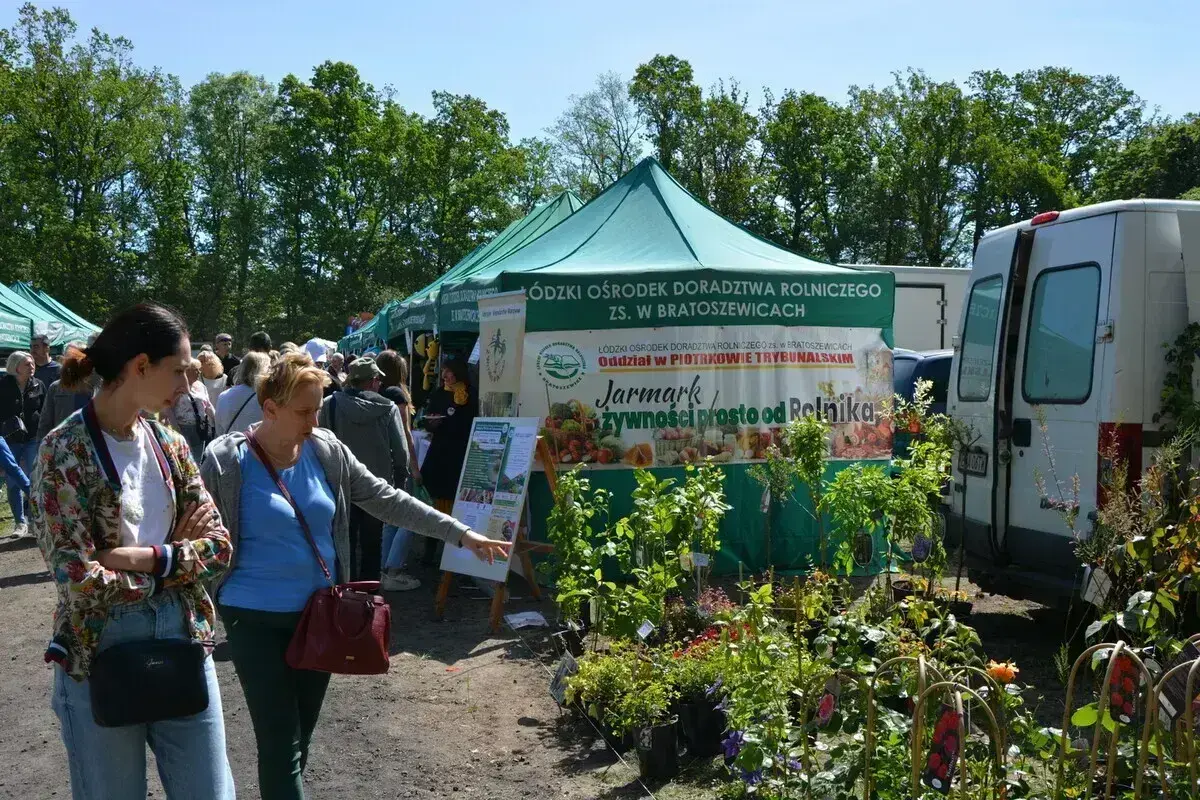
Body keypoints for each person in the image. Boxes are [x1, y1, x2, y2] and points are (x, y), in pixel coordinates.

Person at [201, 352, 508, 800]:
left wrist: (459, 533)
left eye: (319, 408)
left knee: (298, 739)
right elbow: (195, 533)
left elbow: (388, 499)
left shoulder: (327, 452)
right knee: (278, 739)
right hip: (251, 616)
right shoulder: (227, 461)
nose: (314, 420)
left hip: (320, 616)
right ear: (270, 409)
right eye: (304, 411)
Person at [30, 303, 234, 799]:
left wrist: (142, 558)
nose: (187, 385)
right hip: (100, 649)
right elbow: (79, 578)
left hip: (184, 641)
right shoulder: (65, 451)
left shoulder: (170, 443)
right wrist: (173, 565)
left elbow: (219, 547)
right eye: (179, 371)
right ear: (140, 366)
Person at [316, 356, 409, 583]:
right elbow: (401, 452)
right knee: (372, 542)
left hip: (340, 482)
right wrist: (399, 480)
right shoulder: (387, 407)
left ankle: (345, 591)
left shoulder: (330, 404)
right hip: (376, 485)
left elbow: (319, 442)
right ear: (373, 380)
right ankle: (369, 595)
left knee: (343, 539)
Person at [375, 350, 423, 591]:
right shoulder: (396, 394)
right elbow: (405, 434)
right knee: (409, 516)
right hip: (399, 464)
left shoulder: (376, 392)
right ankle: (394, 569)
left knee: (390, 518)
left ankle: (385, 568)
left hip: (382, 462)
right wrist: (415, 467)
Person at [420, 357, 475, 517]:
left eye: (448, 371)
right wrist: (432, 423)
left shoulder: (471, 393)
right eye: (443, 371)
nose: (444, 375)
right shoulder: (439, 393)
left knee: (457, 494)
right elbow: (428, 420)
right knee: (436, 497)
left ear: (458, 373)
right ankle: (433, 538)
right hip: (440, 452)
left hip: (461, 451)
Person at [0, 350, 45, 535]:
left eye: (33, 363)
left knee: (35, 479)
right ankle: (20, 523)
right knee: (12, 481)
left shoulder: (39, 385)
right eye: (27, 364)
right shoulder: (3, 385)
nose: (32, 366)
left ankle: (36, 522)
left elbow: (44, 411)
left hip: (33, 438)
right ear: (15, 367)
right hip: (11, 439)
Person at [36, 341, 96, 442]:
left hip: (92, 442)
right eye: (69, 357)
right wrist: (40, 446)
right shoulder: (56, 387)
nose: (72, 362)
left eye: (77, 357)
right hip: (63, 443)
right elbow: (45, 422)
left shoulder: (97, 385)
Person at [165, 358, 216, 458]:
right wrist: (177, 430)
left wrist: (217, 420)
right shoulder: (177, 387)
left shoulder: (201, 386)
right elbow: (169, 409)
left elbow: (208, 405)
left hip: (201, 427)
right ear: (187, 371)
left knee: (198, 459)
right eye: (196, 369)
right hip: (184, 428)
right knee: (185, 458)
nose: (199, 372)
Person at [216, 351, 270, 436]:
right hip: (257, 446)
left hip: (230, 446)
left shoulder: (223, 396)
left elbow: (219, 430)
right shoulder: (266, 398)